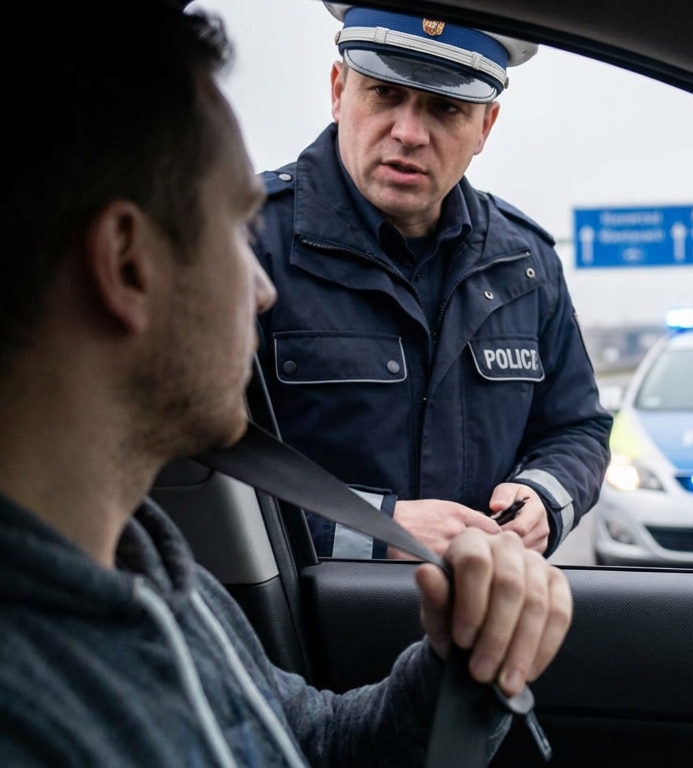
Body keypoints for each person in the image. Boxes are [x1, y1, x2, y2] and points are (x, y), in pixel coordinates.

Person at [0, 4, 570, 765]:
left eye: (443, 109)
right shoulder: (35, 702)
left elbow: (308, 741)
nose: (264, 289)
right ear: (129, 261)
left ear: (485, 125)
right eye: (235, 232)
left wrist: (457, 672)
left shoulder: (158, 574)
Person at [254, 5, 611, 561]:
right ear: (338, 89)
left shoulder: (525, 263)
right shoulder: (243, 245)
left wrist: (544, 499)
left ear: (485, 127)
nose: (409, 133)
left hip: (478, 622)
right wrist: (381, 531)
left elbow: (578, 429)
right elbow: (199, 475)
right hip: (299, 633)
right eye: (385, 95)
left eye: (445, 107)